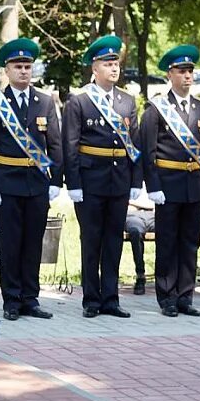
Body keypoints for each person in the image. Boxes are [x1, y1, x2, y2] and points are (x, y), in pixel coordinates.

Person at [62, 35, 143, 318]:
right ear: (94, 68)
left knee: (113, 240)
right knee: (92, 240)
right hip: (90, 180)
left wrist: (135, 181)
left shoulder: (127, 101)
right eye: (107, 63)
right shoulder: (80, 101)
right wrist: (72, 184)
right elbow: (69, 144)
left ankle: (111, 298)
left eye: (116, 63)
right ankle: (91, 299)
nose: (114, 68)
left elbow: (134, 145)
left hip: (118, 180)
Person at [0, 37, 62, 321]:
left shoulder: (44, 101)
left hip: (37, 183)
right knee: (10, 243)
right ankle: (12, 300)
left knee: (33, 244)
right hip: (6, 183)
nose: (24, 71)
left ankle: (31, 298)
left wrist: (56, 181)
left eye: (28, 66)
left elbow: (55, 144)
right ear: (7, 70)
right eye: (18, 66)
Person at [139, 45, 200, 318]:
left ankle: (185, 295)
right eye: (182, 71)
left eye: (190, 71)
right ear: (170, 74)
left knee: (190, 241)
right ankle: (167, 296)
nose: (187, 76)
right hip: (167, 185)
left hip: (193, 184)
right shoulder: (157, 108)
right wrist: (153, 186)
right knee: (167, 241)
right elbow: (149, 151)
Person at [124, 194, 155, 295]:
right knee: (135, 232)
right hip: (132, 215)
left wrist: (133, 203)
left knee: (168, 231)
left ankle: (165, 276)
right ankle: (140, 274)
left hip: (154, 215)